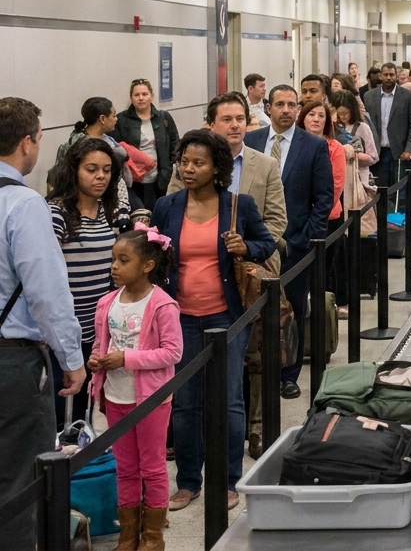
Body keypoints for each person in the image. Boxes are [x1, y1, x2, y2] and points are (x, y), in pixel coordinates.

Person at [152, 129, 276, 513]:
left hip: (227, 316)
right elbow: (156, 254)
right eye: (184, 162)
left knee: (229, 401)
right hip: (180, 317)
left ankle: (228, 479)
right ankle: (189, 481)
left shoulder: (239, 205)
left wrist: (246, 246)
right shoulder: (168, 205)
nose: (188, 169)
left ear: (217, 168)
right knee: (186, 403)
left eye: (198, 163)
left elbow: (266, 243)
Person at [175, 92, 287, 459]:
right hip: (192, 295)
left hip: (248, 281)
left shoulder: (264, 165)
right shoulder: (185, 173)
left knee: (250, 366)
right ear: (212, 124)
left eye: (241, 118)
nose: (237, 124)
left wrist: (249, 251)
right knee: (189, 390)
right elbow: (172, 222)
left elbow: (275, 223)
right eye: (227, 119)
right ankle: (195, 455)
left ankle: (253, 432)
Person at [0, 98, 86, 549]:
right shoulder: (23, 205)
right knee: (19, 479)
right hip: (12, 364)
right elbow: (47, 294)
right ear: (27, 142)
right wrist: (72, 358)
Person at [89, 227, 181, 551]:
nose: (114, 266)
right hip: (115, 397)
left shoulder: (162, 305)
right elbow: (103, 343)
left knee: (152, 468)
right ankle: (128, 535)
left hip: (151, 400)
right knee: (125, 468)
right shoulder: (107, 303)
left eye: (123, 260)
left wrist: (125, 358)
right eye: (113, 259)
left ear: (147, 265)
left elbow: (173, 352)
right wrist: (97, 360)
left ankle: (153, 537)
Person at [244, 85, 333, 400]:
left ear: (298, 109)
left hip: (295, 243)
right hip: (254, 243)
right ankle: (256, 370)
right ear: (268, 107)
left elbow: (323, 198)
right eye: (279, 104)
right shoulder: (251, 141)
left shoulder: (313, 146)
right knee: (254, 308)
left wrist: (309, 236)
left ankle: (288, 375)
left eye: (291, 104)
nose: (286, 109)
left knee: (293, 308)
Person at [47, 137, 131, 427]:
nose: (101, 177)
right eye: (92, 169)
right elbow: (47, 273)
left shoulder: (111, 212)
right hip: (63, 329)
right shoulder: (57, 212)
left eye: (107, 170)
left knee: (85, 410)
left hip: (97, 328)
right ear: (74, 171)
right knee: (60, 411)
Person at [117, 79, 179, 211]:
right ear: (131, 97)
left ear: (152, 96)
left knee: (161, 212)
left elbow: (175, 144)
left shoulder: (164, 118)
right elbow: (117, 150)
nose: (141, 98)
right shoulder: (122, 120)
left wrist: (170, 167)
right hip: (134, 181)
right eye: (136, 95)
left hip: (161, 178)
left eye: (144, 94)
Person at [363, 63, 411, 194]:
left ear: (396, 76)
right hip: (377, 152)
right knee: (379, 190)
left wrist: (409, 149)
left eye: (391, 75)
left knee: (400, 191)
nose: (388, 77)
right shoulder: (369, 96)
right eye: (385, 75)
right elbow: (365, 124)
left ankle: (403, 214)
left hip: (400, 152)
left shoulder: (408, 96)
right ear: (380, 76)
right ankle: (381, 214)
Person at [298, 101, 346, 222]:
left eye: (321, 116)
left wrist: (318, 213)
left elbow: (336, 185)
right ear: (303, 118)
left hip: (327, 216)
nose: (316, 119)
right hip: (296, 215)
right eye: (311, 114)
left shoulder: (335, 147)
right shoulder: (293, 145)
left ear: (326, 121)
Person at [332, 90, 377, 196]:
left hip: (359, 177)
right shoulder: (334, 128)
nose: (343, 116)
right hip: (339, 176)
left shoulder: (363, 127)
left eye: (345, 113)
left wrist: (354, 155)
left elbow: (373, 157)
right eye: (340, 113)